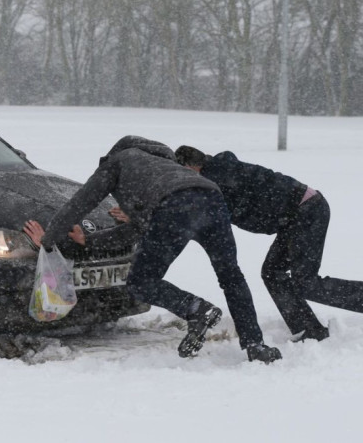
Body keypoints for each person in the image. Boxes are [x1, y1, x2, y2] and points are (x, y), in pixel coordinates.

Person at [23, 136, 282, 363]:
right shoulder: (164, 167)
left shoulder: (118, 162)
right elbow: (144, 227)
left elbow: (78, 204)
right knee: (231, 275)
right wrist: (90, 241)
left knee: (141, 282)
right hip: (213, 201)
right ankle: (254, 344)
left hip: (175, 208)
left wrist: (48, 238)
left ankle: (196, 309)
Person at [172, 146, 363, 341]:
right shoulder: (219, 174)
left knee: (305, 282)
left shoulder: (219, 179)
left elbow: (219, 214)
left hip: (307, 210)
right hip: (296, 216)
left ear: (191, 167)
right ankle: (309, 329)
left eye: (184, 174)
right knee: (272, 272)